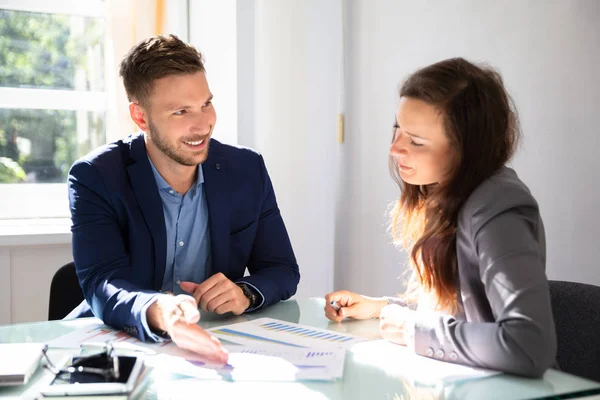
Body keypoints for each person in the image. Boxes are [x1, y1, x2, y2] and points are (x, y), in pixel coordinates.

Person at [67, 34, 300, 363]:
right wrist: (158, 310)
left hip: (217, 346)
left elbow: (282, 269)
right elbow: (101, 283)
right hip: (118, 346)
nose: (203, 124)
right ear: (140, 117)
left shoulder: (247, 169)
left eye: (206, 103)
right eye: (181, 112)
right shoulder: (96, 176)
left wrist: (245, 293)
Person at [325, 58, 556, 378]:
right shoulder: (448, 196)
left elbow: (528, 345)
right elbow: (461, 311)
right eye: (398, 130)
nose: (395, 149)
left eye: (416, 141)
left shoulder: (500, 211)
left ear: (466, 149)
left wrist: (412, 329)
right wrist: (383, 308)